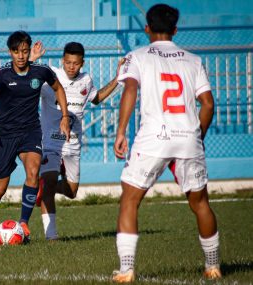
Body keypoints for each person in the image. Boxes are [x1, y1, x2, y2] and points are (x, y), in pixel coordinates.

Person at [112, 4, 220, 282]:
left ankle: (126, 270)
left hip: (153, 138)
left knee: (130, 200)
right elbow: (207, 104)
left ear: (146, 28)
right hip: (188, 138)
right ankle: (213, 266)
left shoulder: (136, 56)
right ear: (175, 29)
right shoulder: (193, 60)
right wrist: (198, 136)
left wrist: (121, 131)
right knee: (201, 204)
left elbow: (131, 90)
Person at [0, 30, 70, 243]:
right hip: (5, 135)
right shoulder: (2, 74)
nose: (21, 55)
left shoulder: (41, 71)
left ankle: (24, 223)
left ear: (29, 52)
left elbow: (59, 88)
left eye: (25, 51)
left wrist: (65, 116)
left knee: (33, 171)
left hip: (30, 131)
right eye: (17, 51)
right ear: (10, 52)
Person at [29, 41, 124, 240]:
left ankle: (42, 186)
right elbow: (25, 80)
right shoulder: (49, 76)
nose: (71, 67)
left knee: (71, 192)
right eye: (68, 62)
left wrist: (118, 78)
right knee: (49, 182)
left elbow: (97, 98)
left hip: (73, 144)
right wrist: (31, 60)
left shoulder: (86, 80)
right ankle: (51, 236)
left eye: (76, 63)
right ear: (62, 60)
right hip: (50, 143)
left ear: (82, 63)